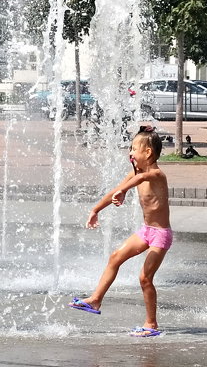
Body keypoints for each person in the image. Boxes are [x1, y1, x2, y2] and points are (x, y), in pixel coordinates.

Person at [68, 126, 171, 337]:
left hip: (161, 234)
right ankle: (95, 300)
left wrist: (124, 191)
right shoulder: (135, 173)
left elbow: (140, 180)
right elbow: (117, 189)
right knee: (115, 257)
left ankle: (151, 325)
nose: (130, 153)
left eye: (134, 149)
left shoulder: (156, 174)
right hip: (146, 231)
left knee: (145, 278)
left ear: (148, 153)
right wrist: (96, 209)